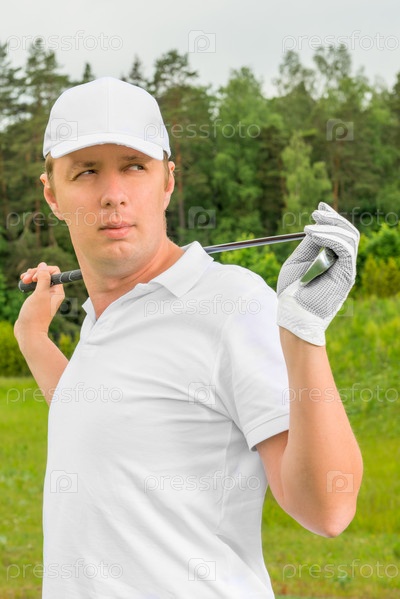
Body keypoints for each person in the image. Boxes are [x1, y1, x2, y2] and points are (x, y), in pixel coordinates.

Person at [14, 77, 363, 599]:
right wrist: (33, 339)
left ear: (168, 182)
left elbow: (327, 509)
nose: (113, 195)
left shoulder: (232, 304)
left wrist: (304, 334)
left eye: (135, 167)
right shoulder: (102, 316)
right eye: (86, 171)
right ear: (52, 195)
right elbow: (94, 421)